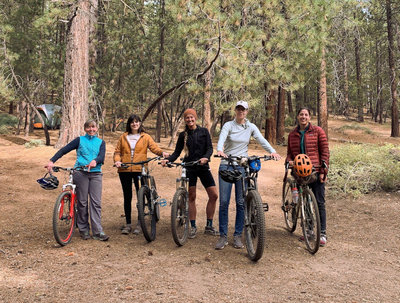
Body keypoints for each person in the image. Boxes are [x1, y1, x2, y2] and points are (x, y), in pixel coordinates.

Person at [215, 100, 281, 250]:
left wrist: (272, 151)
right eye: (238, 109)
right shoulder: (228, 125)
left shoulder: (250, 127)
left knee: (240, 202)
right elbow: (222, 138)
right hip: (227, 164)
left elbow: (261, 139)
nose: (241, 112)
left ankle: (238, 235)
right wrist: (220, 150)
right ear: (235, 111)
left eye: (243, 109)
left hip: (241, 165)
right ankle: (223, 236)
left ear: (246, 112)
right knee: (224, 202)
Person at [46, 120, 109, 241]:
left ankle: (97, 231)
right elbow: (64, 150)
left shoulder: (101, 142)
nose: (91, 129)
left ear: (97, 128)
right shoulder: (79, 140)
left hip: (95, 174)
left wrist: (95, 161)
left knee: (96, 203)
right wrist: (52, 161)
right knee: (82, 202)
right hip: (80, 173)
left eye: (93, 127)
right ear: (85, 129)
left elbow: (101, 156)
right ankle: (83, 229)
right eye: (88, 127)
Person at [161, 109, 218, 239]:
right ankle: (193, 227)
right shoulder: (183, 135)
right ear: (185, 120)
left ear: (195, 118)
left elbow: (209, 148)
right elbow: (176, 153)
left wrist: (206, 158)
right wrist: (167, 160)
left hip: (203, 166)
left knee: (214, 195)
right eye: (187, 118)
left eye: (191, 117)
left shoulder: (204, 131)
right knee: (191, 197)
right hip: (189, 167)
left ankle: (209, 225)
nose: (189, 119)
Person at [114, 114, 168, 235]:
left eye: (137, 122)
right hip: (125, 169)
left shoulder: (145, 137)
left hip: (140, 169)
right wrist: (117, 160)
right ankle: (128, 224)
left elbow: (154, 148)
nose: (135, 124)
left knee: (141, 196)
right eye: (132, 122)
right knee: (127, 196)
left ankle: (140, 222)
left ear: (140, 123)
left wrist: (162, 153)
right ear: (129, 124)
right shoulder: (123, 137)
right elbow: (117, 151)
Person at [286, 107, 330, 246]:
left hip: (315, 171)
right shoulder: (292, 135)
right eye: (301, 114)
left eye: (306, 115)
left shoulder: (318, 131)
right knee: (304, 201)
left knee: (319, 202)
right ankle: (309, 230)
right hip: (299, 173)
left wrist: (324, 171)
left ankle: (322, 233)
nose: (303, 117)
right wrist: (289, 162)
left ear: (309, 117)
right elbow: (289, 154)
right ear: (297, 117)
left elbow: (325, 152)